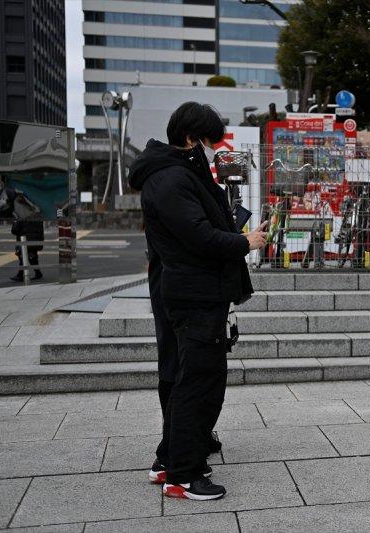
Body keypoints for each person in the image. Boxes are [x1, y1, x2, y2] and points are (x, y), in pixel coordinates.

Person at [129, 102, 267, 501]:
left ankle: (169, 461)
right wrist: (245, 241)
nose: (214, 148)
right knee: (197, 382)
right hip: (193, 293)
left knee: (192, 378)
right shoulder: (172, 178)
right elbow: (199, 237)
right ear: (190, 139)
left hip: (197, 290)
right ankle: (183, 476)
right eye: (210, 140)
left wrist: (236, 228)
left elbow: (201, 227)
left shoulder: (178, 174)